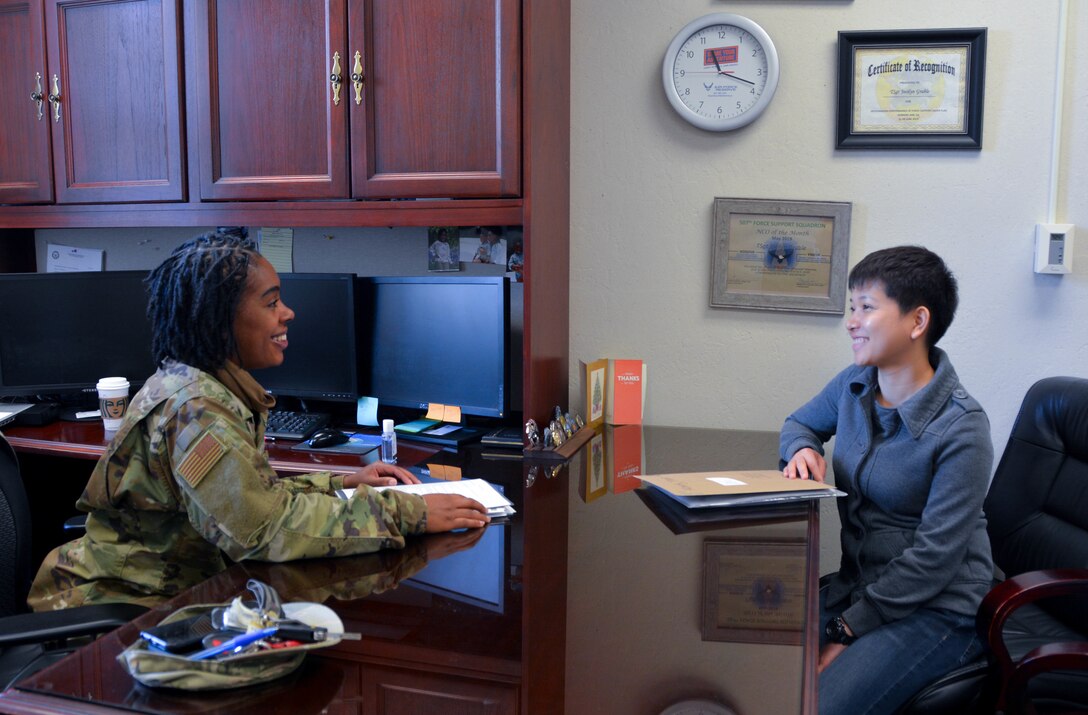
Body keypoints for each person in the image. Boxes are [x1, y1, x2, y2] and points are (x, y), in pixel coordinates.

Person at [28, 231, 490, 611]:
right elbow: (264, 533)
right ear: (222, 319)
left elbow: (250, 498)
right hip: (126, 608)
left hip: (179, 592)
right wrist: (411, 512)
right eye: (271, 303)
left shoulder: (211, 388)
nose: (287, 312)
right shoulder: (197, 411)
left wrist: (338, 481)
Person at [779, 246, 993, 715]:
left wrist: (847, 631)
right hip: (860, 588)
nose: (851, 321)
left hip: (937, 609)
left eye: (867, 308)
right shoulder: (854, 384)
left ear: (917, 322)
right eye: (852, 308)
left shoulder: (963, 427)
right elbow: (799, 423)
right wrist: (802, 449)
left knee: (815, 704)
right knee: (757, 664)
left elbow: (935, 559)